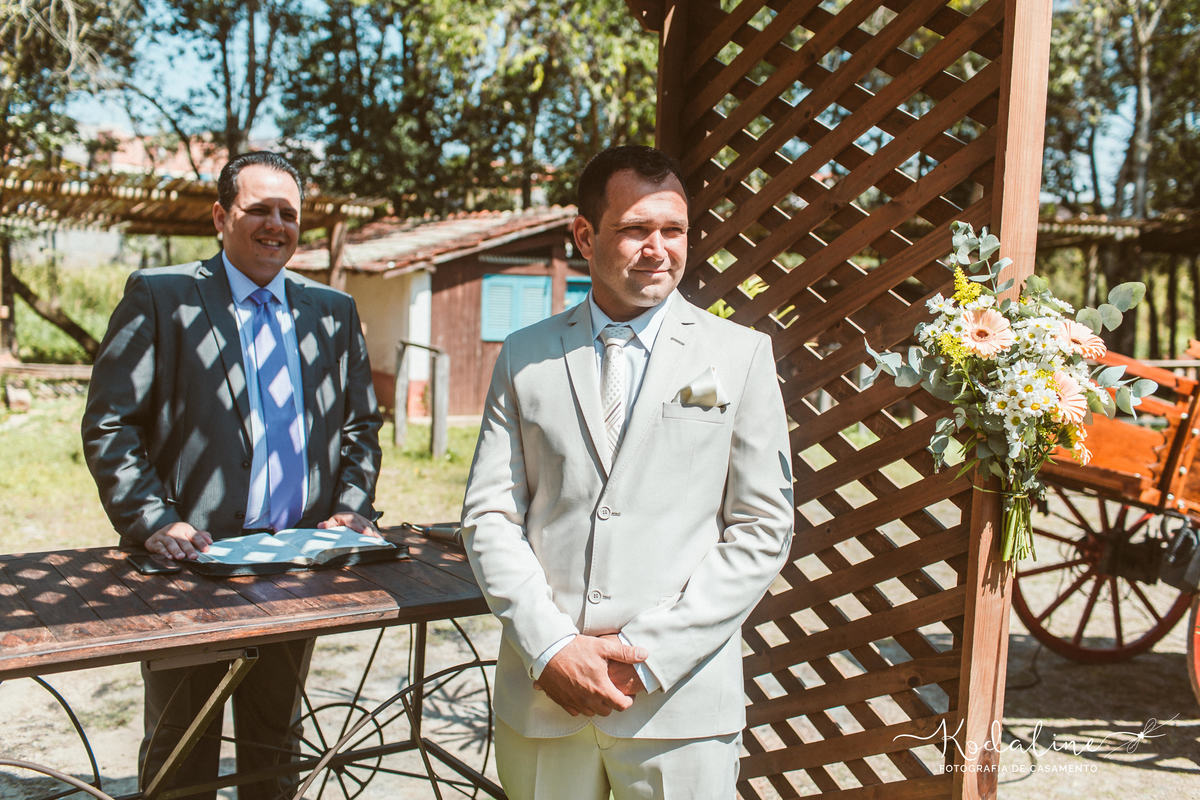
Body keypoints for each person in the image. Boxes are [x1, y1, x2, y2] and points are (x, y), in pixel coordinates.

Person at [460, 145, 794, 798]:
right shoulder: (523, 355)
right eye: (636, 229)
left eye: (674, 231)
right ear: (584, 235)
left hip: (680, 706)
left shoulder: (740, 356)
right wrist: (552, 648)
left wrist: (649, 654)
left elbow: (762, 526)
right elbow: (490, 514)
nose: (658, 249)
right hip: (544, 697)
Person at [81, 151, 382, 800]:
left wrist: (353, 506)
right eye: (259, 210)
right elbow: (111, 423)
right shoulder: (162, 298)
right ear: (221, 217)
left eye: (288, 213)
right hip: (193, 564)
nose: (276, 225)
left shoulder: (332, 311)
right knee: (182, 742)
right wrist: (154, 519)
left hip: (298, 560)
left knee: (276, 739)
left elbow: (361, 426)